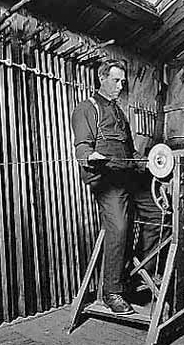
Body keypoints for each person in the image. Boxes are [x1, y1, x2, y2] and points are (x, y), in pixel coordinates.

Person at [71, 59, 161, 315]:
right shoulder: (86, 109)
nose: (121, 85)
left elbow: (129, 150)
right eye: (116, 80)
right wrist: (90, 156)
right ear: (102, 78)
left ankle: (139, 272)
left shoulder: (119, 112)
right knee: (120, 227)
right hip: (107, 180)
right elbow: (82, 146)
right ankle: (112, 290)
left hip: (129, 175)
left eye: (123, 81)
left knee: (158, 215)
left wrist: (145, 162)